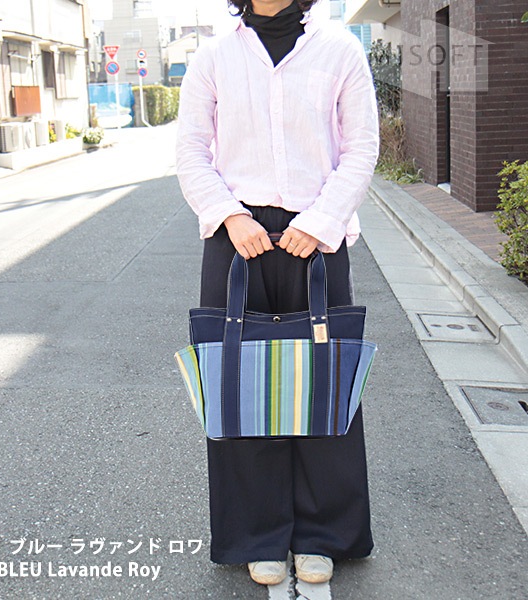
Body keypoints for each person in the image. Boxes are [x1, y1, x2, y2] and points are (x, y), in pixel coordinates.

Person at [176, 0, 379, 586]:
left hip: (318, 235)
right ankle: (257, 534)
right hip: (236, 237)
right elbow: (191, 151)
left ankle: (323, 534)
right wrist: (229, 215)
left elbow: (361, 147)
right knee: (240, 387)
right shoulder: (214, 56)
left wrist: (320, 221)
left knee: (325, 384)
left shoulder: (340, 50)